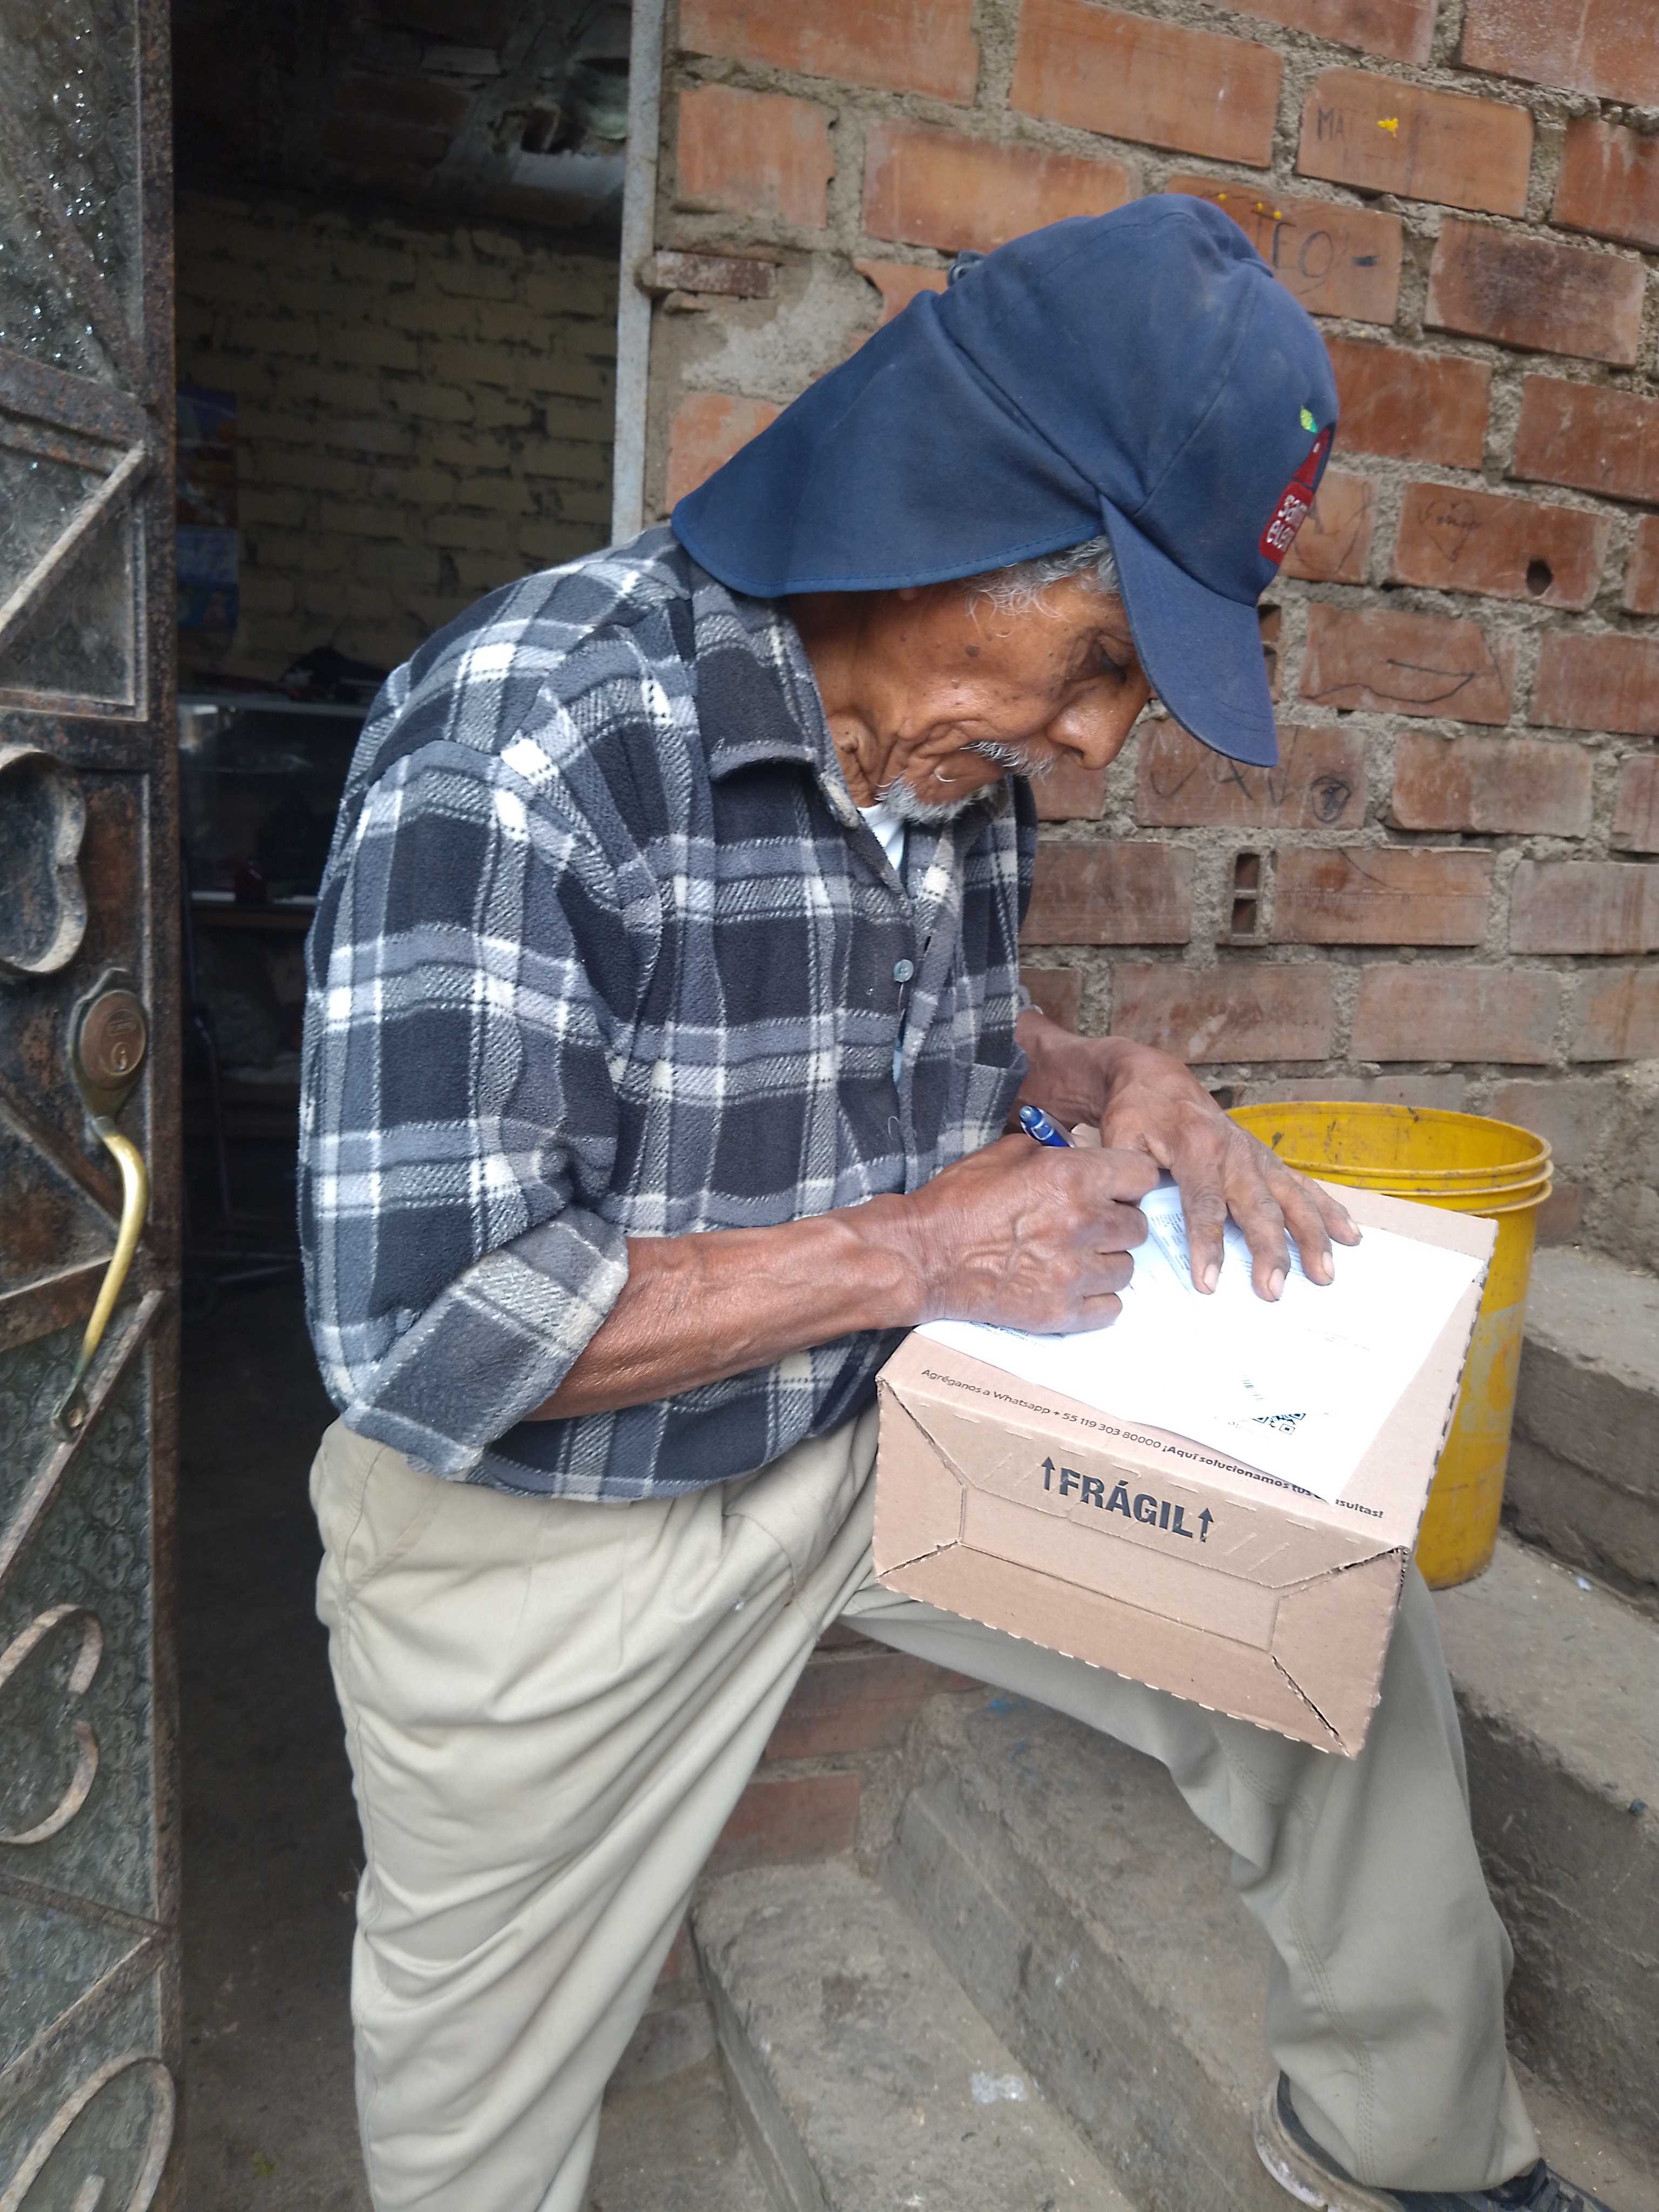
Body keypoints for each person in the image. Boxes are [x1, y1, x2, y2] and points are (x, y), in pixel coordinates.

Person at [299, 198, 1612, 2212]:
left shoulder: (946, 761)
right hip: (555, 1531)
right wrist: (921, 1251)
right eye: (1099, 659)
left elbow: (868, 1031)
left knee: (1324, 1614)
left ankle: (1415, 2150)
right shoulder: (529, 736)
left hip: (876, 1427)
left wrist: (1095, 1073)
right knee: (475, 2110)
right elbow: (428, 1324)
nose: (1091, 742)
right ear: (938, 516)